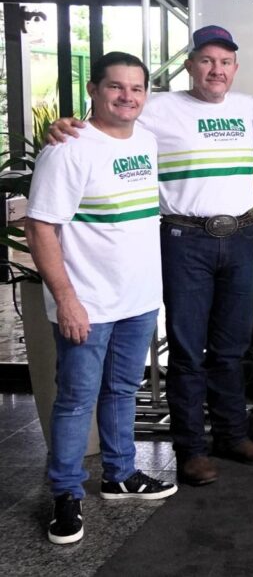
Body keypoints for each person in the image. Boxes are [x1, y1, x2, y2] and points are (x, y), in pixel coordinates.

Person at [46, 26, 253, 487]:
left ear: (235, 68)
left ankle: (232, 435)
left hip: (240, 236)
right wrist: (65, 123)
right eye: (206, 60)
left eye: (225, 62)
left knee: (231, 347)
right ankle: (191, 450)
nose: (216, 70)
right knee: (187, 351)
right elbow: (107, 121)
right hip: (185, 239)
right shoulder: (156, 107)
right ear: (189, 65)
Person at [26, 52, 178, 545]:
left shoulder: (146, 140)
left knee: (121, 392)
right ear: (93, 90)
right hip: (87, 303)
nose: (127, 97)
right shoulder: (68, 149)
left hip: (138, 299)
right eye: (116, 86)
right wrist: (66, 299)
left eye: (136, 88)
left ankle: (120, 474)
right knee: (75, 400)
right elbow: (39, 227)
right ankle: (66, 493)